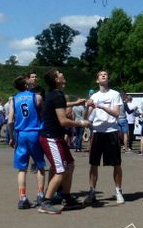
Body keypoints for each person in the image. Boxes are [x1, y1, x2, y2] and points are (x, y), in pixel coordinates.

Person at [38, 69, 90, 214]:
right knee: (60, 170)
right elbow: (63, 121)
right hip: (51, 138)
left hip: (56, 137)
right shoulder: (57, 95)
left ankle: (65, 197)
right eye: (59, 73)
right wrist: (81, 123)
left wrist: (75, 103)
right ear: (56, 80)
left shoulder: (55, 95)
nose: (62, 74)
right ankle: (46, 202)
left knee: (70, 165)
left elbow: (61, 104)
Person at [6, 75, 46, 210]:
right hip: (35, 133)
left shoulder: (14, 99)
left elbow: (10, 121)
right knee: (40, 165)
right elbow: (42, 116)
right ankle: (40, 195)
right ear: (26, 85)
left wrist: (11, 137)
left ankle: (22, 198)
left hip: (21, 134)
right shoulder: (37, 97)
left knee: (22, 168)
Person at [85, 70, 124, 205]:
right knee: (93, 163)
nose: (103, 75)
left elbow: (116, 113)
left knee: (116, 163)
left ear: (108, 79)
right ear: (97, 80)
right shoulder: (94, 96)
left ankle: (118, 191)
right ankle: (92, 191)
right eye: (101, 74)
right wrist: (87, 107)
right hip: (97, 132)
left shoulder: (115, 94)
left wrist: (100, 106)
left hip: (112, 131)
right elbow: (87, 118)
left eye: (106, 74)